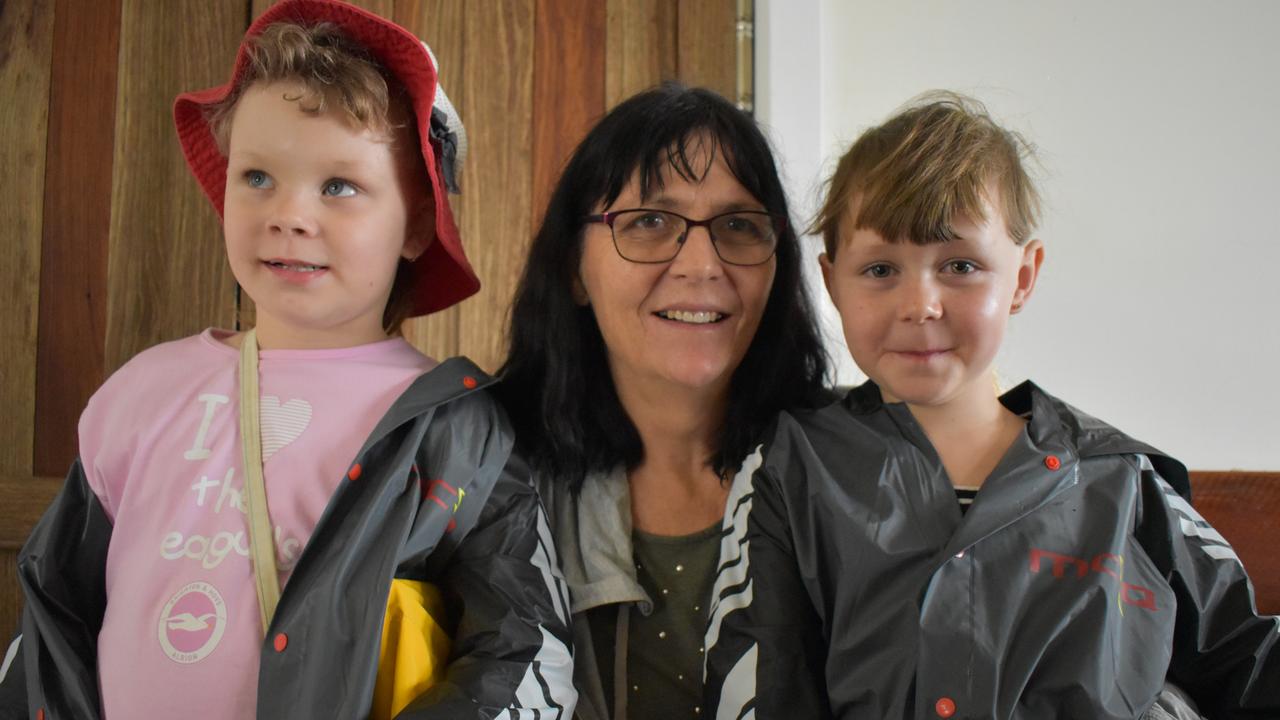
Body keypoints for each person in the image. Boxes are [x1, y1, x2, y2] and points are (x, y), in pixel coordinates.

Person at [0, 1, 574, 718]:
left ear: (418, 222)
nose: (288, 214)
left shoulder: (458, 431)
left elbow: (520, 649)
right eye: (258, 177)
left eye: (339, 186)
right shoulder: (143, 393)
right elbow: (54, 612)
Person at [703, 93, 1280, 719]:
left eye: (959, 265)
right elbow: (759, 690)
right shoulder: (793, 469)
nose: (919, 304)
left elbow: (1247, 663)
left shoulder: (1122, 480)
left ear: (1023, 278)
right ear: (831, 280)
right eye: (879, 270)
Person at [497, 84, 829, 719]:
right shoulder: (494, 481)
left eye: (738, 226)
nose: (702, 264)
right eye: (650, 222)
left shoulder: (846, 471)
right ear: (574, 267)